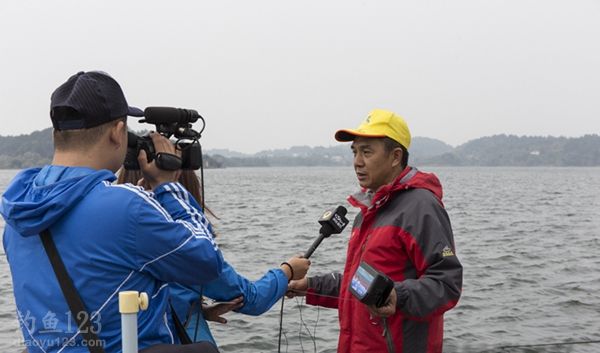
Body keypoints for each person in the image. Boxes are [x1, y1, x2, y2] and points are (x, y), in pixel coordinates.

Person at [1, 71, 227, 353]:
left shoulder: (17, 213)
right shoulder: (127, 206)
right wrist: (168, 188)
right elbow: (207, 262)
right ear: (118, 133)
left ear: (55, 134)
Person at [288, 109, 463, 353]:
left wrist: (397, 296)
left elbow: (447, 284)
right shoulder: (369, 210)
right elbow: (360, 284)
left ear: (395, 156)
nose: (357, 161)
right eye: (355, 152)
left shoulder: (421, 207)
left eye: (367, 152)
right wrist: (309, 286)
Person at [117, 168, 311, 346]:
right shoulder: (186, 249)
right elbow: (253, 299)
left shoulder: (109, 232)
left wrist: (196, 309)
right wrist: (288, 271)